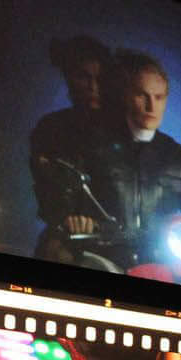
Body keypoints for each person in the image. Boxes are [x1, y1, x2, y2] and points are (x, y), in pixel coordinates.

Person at [68, 51, 181, 270]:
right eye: (142, 96)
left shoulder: (177, 156)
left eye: (159, 97)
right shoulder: (96, 146)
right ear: (126, 96)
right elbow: (69, 196)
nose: (151, 106)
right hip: (106, 257)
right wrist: (75, 220)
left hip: (161, 263)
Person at [29, 34, 111, 246]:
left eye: (100, 78)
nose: (93, 86)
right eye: (83, 77)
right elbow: (46, 188)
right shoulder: (50, 129)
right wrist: (65, 219)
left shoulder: (124, 130)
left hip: (121, 237)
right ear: (68, 77)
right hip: (70, 235)